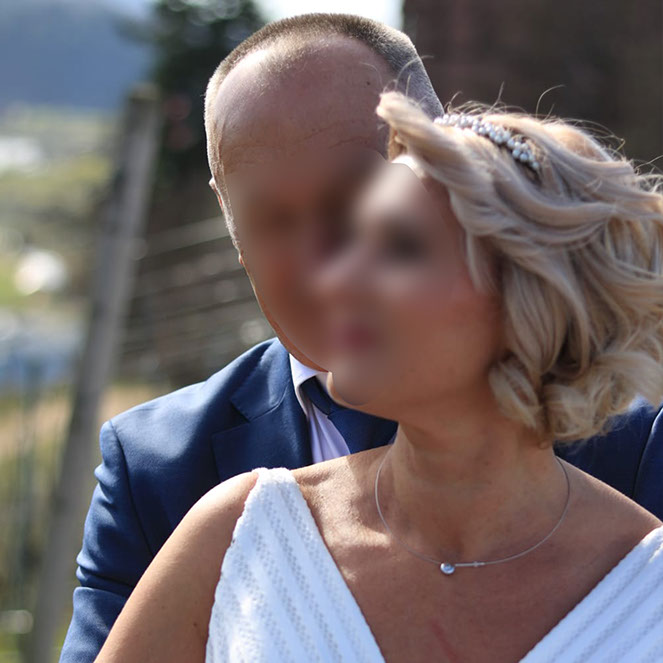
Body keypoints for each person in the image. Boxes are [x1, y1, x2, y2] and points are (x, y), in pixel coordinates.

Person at [61, 13, 663, 663]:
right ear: (229, 221)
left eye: (360, 206)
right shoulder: (183, 488)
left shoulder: (638, 463)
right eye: (271, 220)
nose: (327, 270)